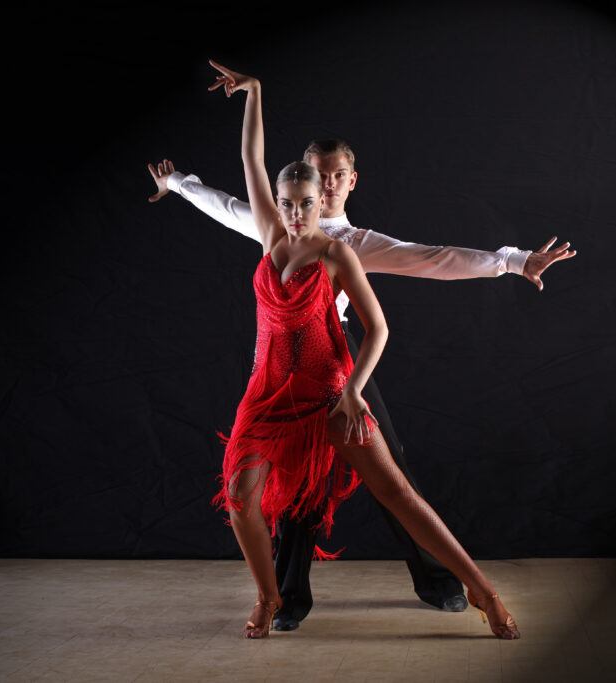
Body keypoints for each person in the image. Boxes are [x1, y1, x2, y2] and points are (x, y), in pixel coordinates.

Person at [147, 97, 575, 636]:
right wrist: (180, 183)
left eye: (335, 177)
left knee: (392, 479)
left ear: (351, 181)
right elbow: (229, 195)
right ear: (290, 189)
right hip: (273, 381)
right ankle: (283, 598)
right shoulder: (273, 225)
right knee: (281, 492)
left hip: (335, 358)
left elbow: (434, 257)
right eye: (312, 180)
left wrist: (512, 260)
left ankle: (452, 584)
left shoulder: (350, 245)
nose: (322, 189)